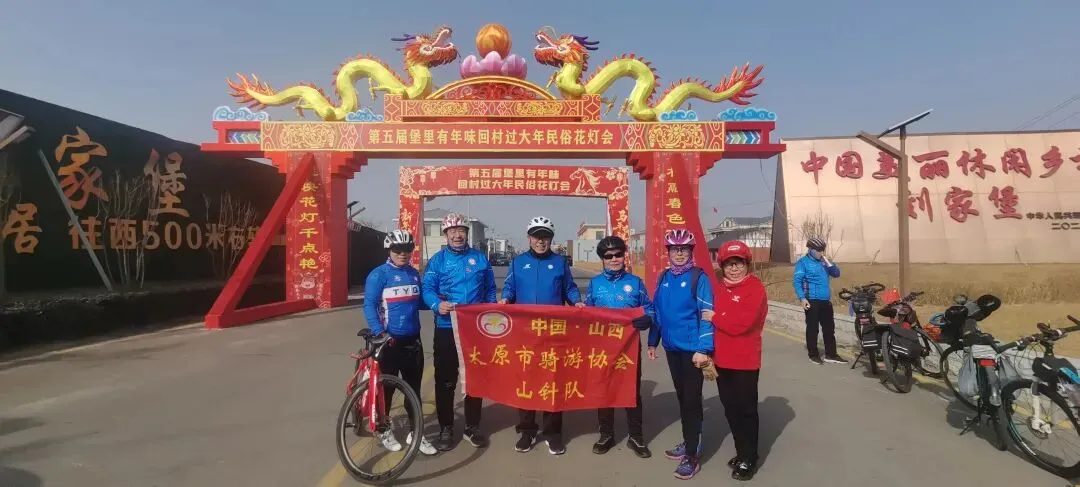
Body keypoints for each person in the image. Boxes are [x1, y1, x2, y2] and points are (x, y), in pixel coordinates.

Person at [498, 215, 584, 455]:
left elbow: (569, 288)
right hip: (525, 335)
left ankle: (553, 433)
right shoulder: (517, 263)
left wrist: (576, 302)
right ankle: (527, 431)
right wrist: (505, 298)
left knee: (553, 382)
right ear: (529, 238)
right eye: (537, 236)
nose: (541, 241)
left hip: (553, 333)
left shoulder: (559, 263)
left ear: (551, 239)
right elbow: (510, 288)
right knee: (526, 382)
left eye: (545, 236)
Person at [420, 212, 495, 451]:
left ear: (466, 233)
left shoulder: (480, 259)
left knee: (474, 379)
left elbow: (490, 290)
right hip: (446, 328)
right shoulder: (437, 261)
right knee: (445, 380)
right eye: (452, 231)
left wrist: (490, 315)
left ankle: (472, 427)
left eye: (461, 230)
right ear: (446, 234)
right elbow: (427, 289)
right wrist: (436, 304)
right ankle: (446, 427)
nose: (457, 235)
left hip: (474, 330)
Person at [363, 229, 437, 456]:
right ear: (389, 250)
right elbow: (369, 305)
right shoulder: (379, 275)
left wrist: (439, 302)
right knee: (386, 391)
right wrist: (379, 331)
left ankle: (416, 433)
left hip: (413, 341)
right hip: (389, 342)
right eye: (397, 250)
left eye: (407, 249)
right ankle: (384, 430)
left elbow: (419, 303)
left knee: (413, 390)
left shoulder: (413, 274)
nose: (403, 254)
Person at [649, 229, 714, 480]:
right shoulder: (664, 277)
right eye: (675, 249)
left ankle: (692, 454)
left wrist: (703, 349)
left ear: (690, 251)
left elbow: (707, 315)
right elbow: (658, 311)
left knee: (691, 400)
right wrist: (653, 341)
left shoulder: (699, 278)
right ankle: (689, 441)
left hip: (692, 351)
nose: (679, 254)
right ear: (668, 252)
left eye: (683, 249)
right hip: (672, 348)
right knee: (682, 397)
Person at [583, 236, 655, 459]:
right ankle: (606, 435)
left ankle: (636, 436)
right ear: (603, 259)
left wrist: (648, 318)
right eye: (609, 256)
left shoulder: (636, 283)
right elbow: (586, 314)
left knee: (631, 390)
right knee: (604, 389)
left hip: (629, 347)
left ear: (624, 256)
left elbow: (650, 308)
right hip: (602, 348)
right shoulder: (595, 284)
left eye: (618, 254)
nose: (614, 259)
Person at [702, 240, 768, 481]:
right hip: (722, 360)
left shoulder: (755, 288)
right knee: (730, 408)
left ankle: (749, 457)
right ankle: (742, 452)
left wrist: (716, 317)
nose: (734, 268)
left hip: (745, 361)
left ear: (746, 264)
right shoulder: (719, 288)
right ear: (722, 266)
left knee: (746, 410)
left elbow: (743, 324)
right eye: (729, 264)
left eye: (738, 263)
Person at [793, 237, 847, 365]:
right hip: (811, 300)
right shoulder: (803, 262)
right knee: (813, 329)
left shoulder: (824, 262)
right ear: (811, 249)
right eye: (818, 250)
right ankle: (813, 354)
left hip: (825, 301)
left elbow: (836, 274)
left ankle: (831, 354)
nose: (821, 253)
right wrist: (802, 298)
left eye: (822, 250)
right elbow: (797, 281)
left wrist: (828, 262)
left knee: (829, 329)